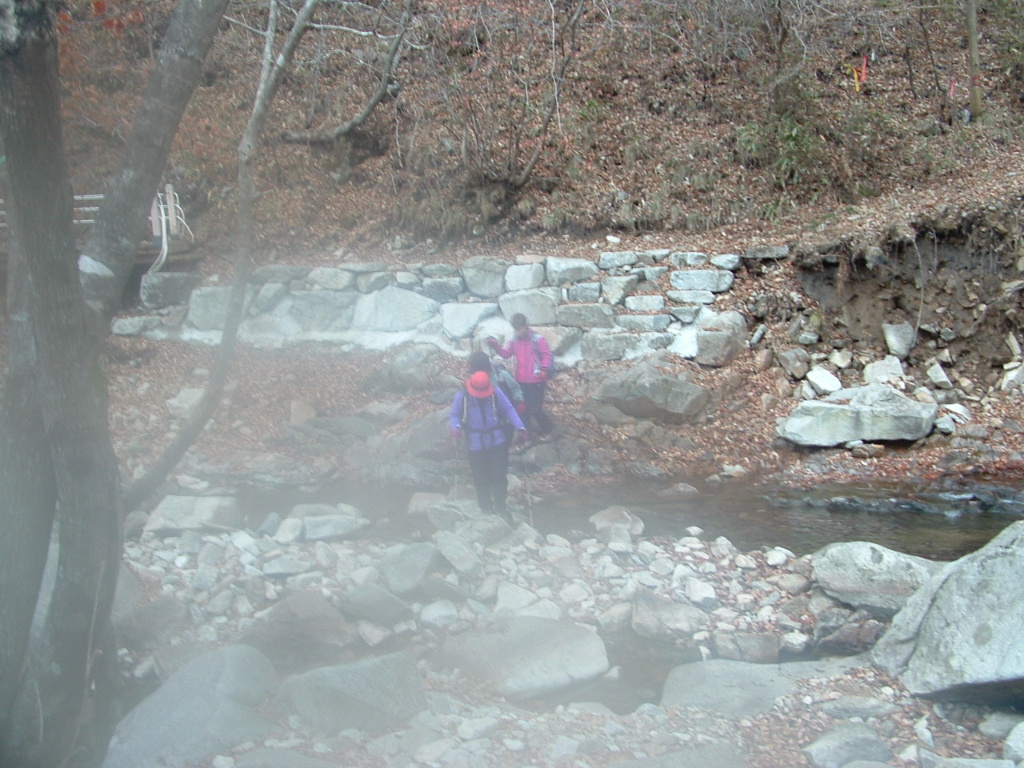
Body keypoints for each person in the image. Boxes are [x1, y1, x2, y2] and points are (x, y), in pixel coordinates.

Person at [450, 370, 527, 522]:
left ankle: (500, 507)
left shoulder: (496, 393)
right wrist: (456, 427)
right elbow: (454, 414)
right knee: (480, 478)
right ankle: (486, 509)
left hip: (496, 441)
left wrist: (520, 426)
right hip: (475, 443)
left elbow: (508, 409)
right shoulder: (462, 396)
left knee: (499, 476)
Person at [486, 313, 553, 438]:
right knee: (523, 408)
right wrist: (496, 346)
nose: (517, 332)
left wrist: (544, 369)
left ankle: (548, 429)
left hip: (536, 379)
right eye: (515, 329)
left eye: (519, 329)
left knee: (535, 409)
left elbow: (546, 356)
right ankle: (526, 433)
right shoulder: (514, 341)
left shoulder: (538, 339)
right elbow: (506, 354)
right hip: (520, 380)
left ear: (525, 326)